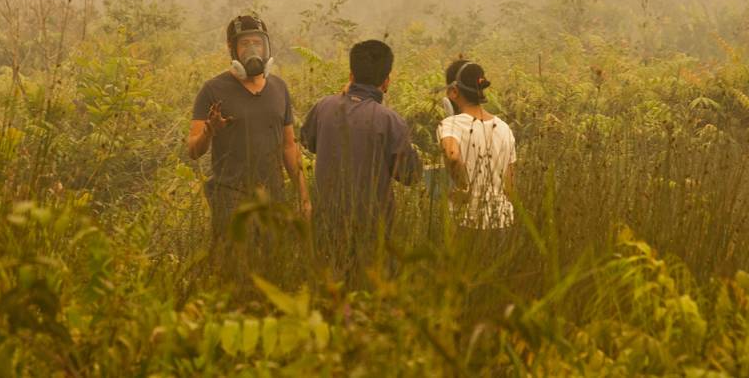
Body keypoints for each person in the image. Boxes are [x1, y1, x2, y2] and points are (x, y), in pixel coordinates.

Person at [187, 16, 311, 254]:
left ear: (266, 46)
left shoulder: (279, 88)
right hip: (230, 199)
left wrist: (303, 197)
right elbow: (193, 150)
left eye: (257, 42)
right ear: (231, 48)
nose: (252, 49)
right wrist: (208, 132)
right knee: (236, 267)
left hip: (272, 199)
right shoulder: (212, 90)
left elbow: (289, 146)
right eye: (245, 44)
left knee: (272, 266)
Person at [301, 39, 420, 283]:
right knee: (366, 295)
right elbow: (411, 175)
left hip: (325, 224)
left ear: (351, 74)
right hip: (372, 230)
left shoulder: (324, 107)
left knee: (329, 290)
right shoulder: (390, 121)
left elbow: (308, 141)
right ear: (386, 82)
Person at [438, 60, 517, 236]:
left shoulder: (450, 125)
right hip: (503, 221)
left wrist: (463, 188)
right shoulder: (504, 127)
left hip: (467, 223)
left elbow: (452, 155)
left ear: (453, 91)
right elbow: (510, 187)